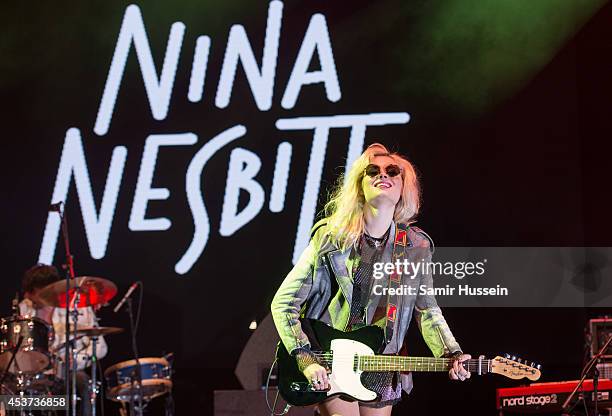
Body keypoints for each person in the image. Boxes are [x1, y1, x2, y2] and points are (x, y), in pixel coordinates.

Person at [271, 143, 470, 416]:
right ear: (359, 186)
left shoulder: (415, 247)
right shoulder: (329, 238)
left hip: (381, 362)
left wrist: (451, 353)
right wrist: (306, 358)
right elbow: (284, 303)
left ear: (404, 187)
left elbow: (427, 310)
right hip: (331, 361)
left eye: (392, 171)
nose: (383, 175)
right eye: (372, 171)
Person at [19, 264, 107, 416]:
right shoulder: (23, 309)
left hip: (68, 374)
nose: (29, 297)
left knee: (80, 382)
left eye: (37, 293)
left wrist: (76, 359)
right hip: (33, 376)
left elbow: (100, 347)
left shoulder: (78, 308)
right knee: (11, 399)